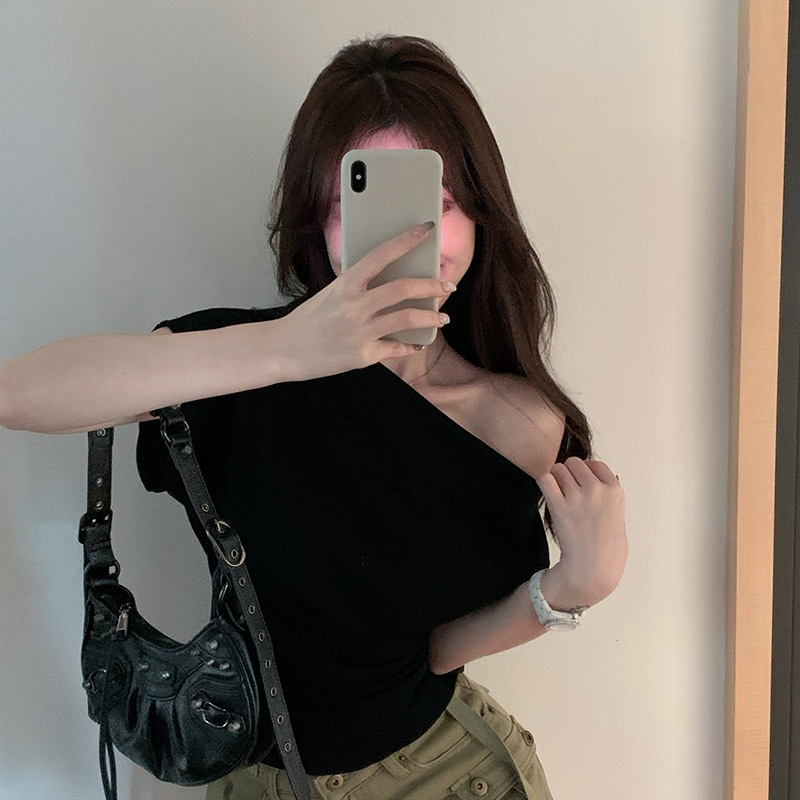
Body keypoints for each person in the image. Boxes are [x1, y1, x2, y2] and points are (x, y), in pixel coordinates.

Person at [0, 33, 627, 800]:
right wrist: (284, 349)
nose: (413, 240)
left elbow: (433, 652)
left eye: (440, 206)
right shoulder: (241, 371)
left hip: (447, 774)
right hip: (262, 781)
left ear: (481, 216)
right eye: (355, 205)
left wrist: (567, 589)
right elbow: (18, 394)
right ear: (319, 225)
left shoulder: (518, 423)